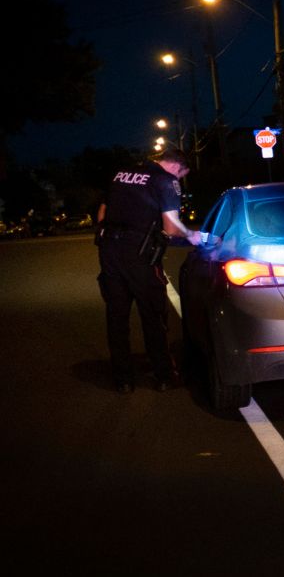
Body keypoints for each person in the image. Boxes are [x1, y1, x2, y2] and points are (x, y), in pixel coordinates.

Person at [96, 147, 201, 393]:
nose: (180, 179)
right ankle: (164, 375)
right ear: (178, 167)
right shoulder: (166, 181)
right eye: (182, 174)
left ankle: (122, 379)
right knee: (153, 316)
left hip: (110, 251)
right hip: (140, 254)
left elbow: (102, 212)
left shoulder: (120, 173)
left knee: (116, 316)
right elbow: (172, 226)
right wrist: (192, 236)